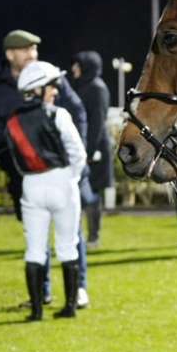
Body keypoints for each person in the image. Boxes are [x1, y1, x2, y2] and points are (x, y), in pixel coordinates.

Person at [0, 29, 87, 307]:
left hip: (64, 172)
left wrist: (72, 165)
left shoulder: (51, 77)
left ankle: (78, 289)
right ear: (10, 54)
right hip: (26, 178)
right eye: (26, 50)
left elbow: (77, 114)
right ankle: (42, 292)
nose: (32, 55)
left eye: (34, 49)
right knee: (36, 239)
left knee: (71, 235)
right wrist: (19, 162)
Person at [70, 51, 114, 250]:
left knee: (92, 194)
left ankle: (93, 238)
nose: (73, 69)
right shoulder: (84, 86)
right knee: (80, 193)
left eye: (77, 65)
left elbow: (96, 123)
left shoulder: (97, 88)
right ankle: (77, 236)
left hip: (94, 150)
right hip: (85, 149)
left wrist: (88, 153)